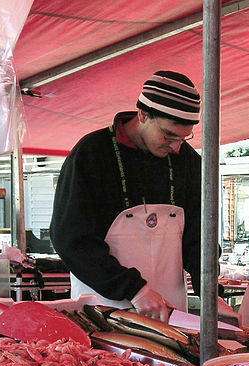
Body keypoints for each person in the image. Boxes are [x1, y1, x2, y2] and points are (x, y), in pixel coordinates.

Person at [50, 70, 233, 323]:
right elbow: (71, 240)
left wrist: (211, 293)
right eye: (169, 135)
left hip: (171, 314)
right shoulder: (92, 155)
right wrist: (135, 289)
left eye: (183, 138)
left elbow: (200, 240)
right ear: (143, 115)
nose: (176, 147)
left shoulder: (188, 162)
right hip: (103, 309)